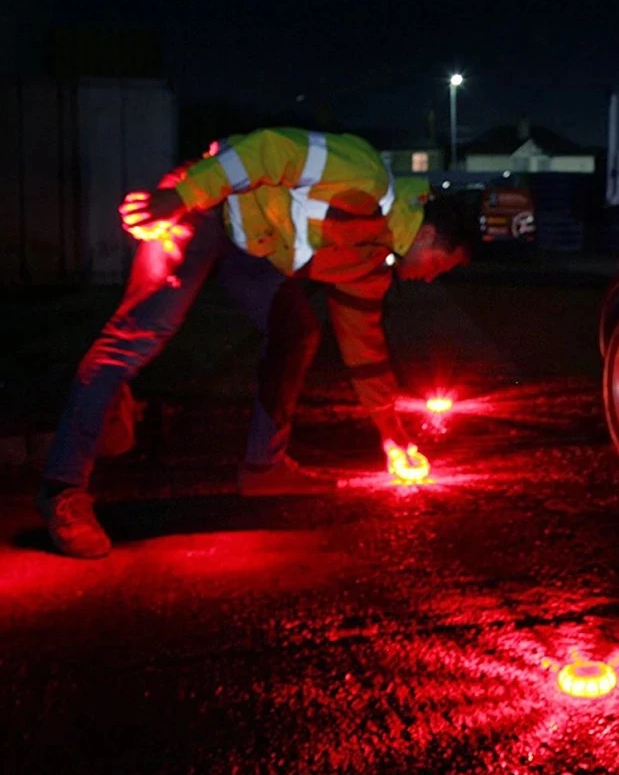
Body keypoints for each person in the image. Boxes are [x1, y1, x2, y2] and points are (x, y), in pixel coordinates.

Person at [37, 128, 479, 559]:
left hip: (250, 248)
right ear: (426, 235)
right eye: (441, 265)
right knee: (138, 336)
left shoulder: (369, 266)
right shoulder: (365, 176)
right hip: (206, 205)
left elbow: (365, 354)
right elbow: (267, 150)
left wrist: (394, 438)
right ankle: (63, 489)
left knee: (297, 332)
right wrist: (181, 197)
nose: (432, 277)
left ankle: (263, 467)